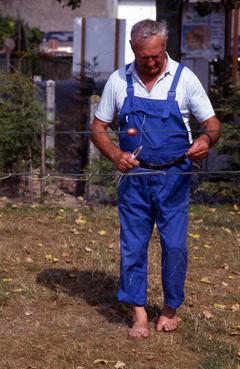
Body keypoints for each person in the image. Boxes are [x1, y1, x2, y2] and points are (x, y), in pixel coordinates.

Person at [90, 19, 221, 338]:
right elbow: (97, 128)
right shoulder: (119, 80)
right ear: (134, 50)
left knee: (174, 246)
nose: (151, 62)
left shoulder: (184, 78)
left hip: (175, 177)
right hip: (135, 178)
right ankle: (138, 314)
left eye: (156, 55)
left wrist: (205, 142)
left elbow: (213, 124)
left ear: (165, 49)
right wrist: (116, 155)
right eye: (144, 56)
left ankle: (170, 308)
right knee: (133, 245)